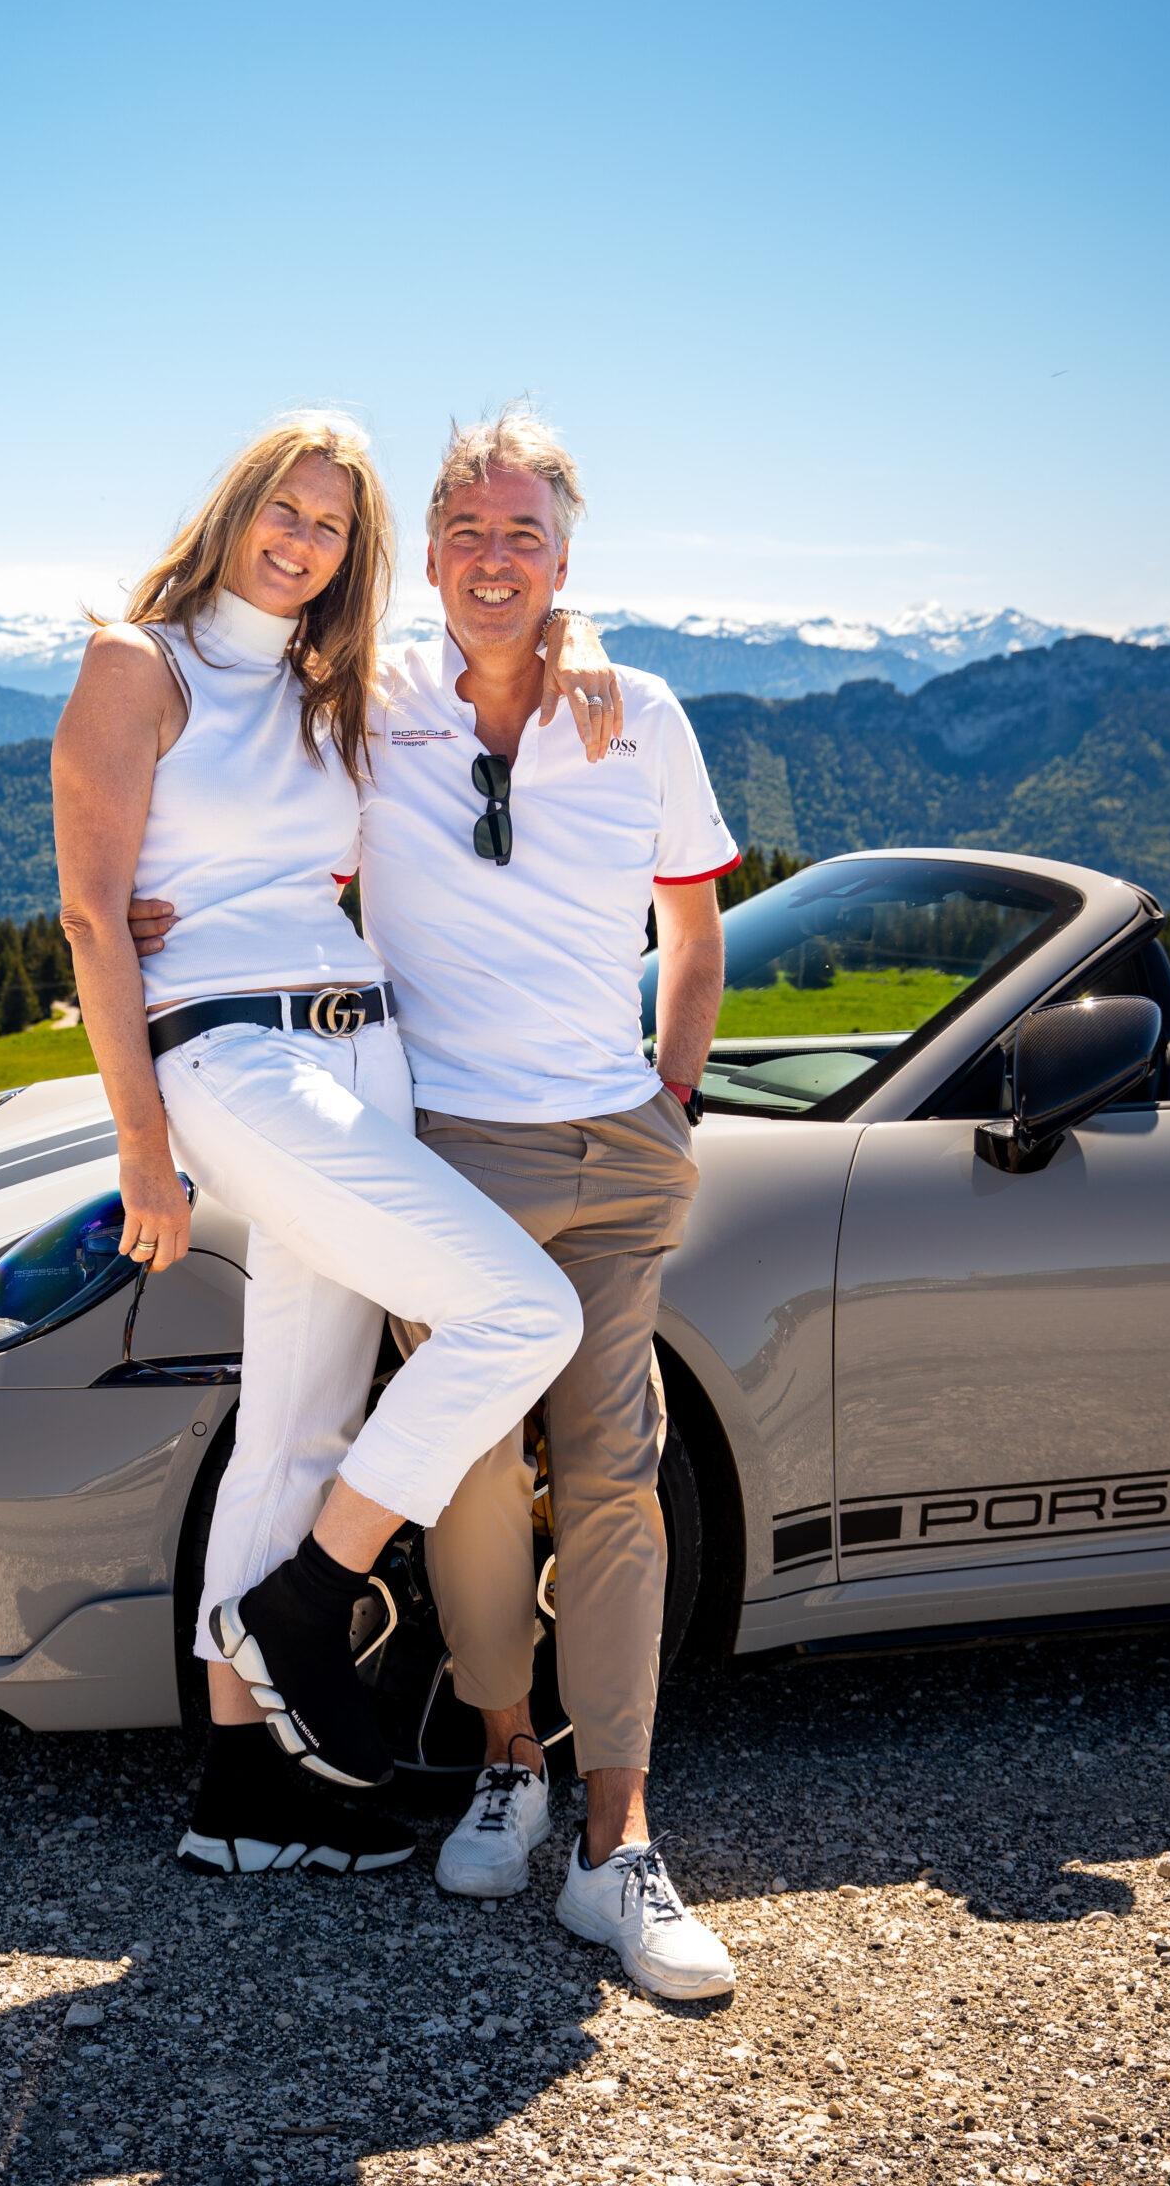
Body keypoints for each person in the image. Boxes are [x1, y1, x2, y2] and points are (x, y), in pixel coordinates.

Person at [131, 408, 738, 1997]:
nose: (492, 561)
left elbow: (694, 919)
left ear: (565, 560)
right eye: (467, 532)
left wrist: (669, 1095)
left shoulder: (639, 709)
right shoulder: (372, 694)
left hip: (616, 1143)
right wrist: (152, 907)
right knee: (466, 1482)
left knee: (615, 1482)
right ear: (433, 553)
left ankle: (618, 1845)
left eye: (525, 539)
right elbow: (227, 780)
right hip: (449, 1136)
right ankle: (501, 1762)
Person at [53, 410, 616, 1882]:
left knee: (299, 1416)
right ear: (237, 503)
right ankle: (304, 1603)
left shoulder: (333, 675)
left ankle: (245, 1788)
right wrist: (142, 1149)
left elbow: (500, 630)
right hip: (234, 1053)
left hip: (366, 1045)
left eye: (335, 528)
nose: (305, 543)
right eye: (288, 511)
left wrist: (587, 637)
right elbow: (91, 913)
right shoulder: (139, 662)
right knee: (520, 1312)